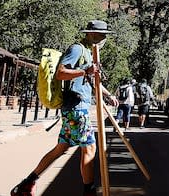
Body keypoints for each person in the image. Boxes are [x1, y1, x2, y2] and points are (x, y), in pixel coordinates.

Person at [11, 20, 118, 196]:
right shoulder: (77, 49)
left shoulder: (90, 53)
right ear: (91, 33)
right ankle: (89, 191)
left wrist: (107, 95)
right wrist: (85, 71)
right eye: (101, 35)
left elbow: (91, 80)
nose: (104, 38)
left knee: (61, 148)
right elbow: (61, 73)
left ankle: (26, 184)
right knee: (89, 149)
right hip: (77, 108)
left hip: (76, 108)